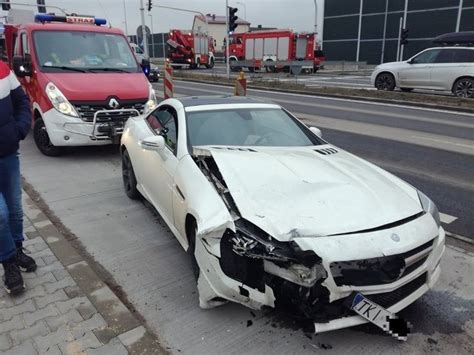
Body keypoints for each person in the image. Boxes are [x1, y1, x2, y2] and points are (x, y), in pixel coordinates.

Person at [0, 60, 36, 295]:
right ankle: (9, 262)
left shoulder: (3, 70)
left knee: (14, 208)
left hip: (8, 154)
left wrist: (19, 129)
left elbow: (22, 102)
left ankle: (17, 248)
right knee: (0, 214)